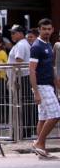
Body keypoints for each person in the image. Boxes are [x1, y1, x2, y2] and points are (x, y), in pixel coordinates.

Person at [29, 18, 60, 158]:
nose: (47, 31)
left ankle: (41, 149)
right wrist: (36, 92)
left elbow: (50, 67)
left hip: (49, 85)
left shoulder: (48, 45)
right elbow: (32, 70)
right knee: (55, 115)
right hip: (41, 86)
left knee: (43, 118)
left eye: (49, 29)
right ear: (39, 29)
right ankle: (39, 143)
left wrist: (56, 83)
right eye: (44, 29)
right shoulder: (36, 47)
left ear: (52, 29)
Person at [8, 24, 35, 139]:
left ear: (20, 33)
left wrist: (13, 79)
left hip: (22, 78)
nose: (12, 35)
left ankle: (24, 132)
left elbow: (18, 62)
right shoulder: (22, 44)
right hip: (23, 78)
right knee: (23, 105)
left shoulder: (21, 45)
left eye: (14, 33)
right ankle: (24, 131)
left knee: (21, 105)